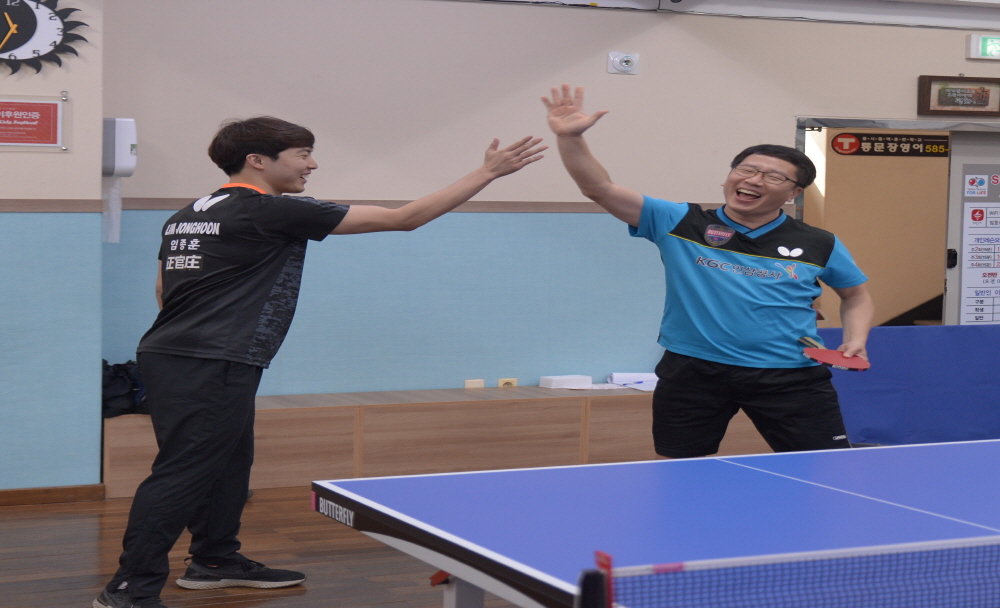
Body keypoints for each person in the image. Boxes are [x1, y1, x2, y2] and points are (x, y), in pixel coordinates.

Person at [94, 116, 546, 608]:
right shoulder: (271, 210)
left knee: (228, 462)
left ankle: (215, 560)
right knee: (184, 472)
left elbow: (164, 289)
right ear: (257, 160)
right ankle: (129, 589)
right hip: (212, 359)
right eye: (302, 154)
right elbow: (406, 217)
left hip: (175, 353)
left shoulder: (186, 215)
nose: (312, 164)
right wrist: (488, 172)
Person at [542, 84, 874, 459]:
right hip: (693, 372)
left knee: (824, 465)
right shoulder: (680, 222)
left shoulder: (818, 242)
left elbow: (856, 295)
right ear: (729, 176)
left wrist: (856, 337)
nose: (754, 180)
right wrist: (570, 138)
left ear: (793, 193)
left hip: (789, 375)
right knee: (682, 468)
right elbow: (598, 188)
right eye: (746, 169)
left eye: (772, 177)